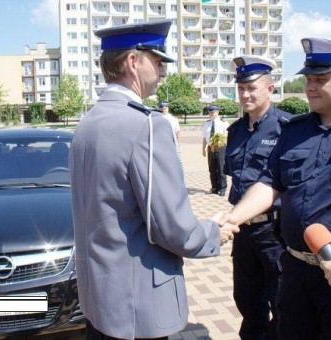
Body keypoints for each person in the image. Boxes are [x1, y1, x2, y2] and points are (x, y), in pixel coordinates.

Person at [69, 20, 236, 340]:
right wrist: (215, 231)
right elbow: (174, 230)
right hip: (138, 309)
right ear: (133, 62)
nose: (163, 71)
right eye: (158, 61)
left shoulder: (86, 125)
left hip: (99, 304)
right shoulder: (147, 126)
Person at [219, 36, 331, 339]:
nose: (309, 87)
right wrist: (233, 218)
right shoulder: (294, 131)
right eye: (308, 79)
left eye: (320, 79)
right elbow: (270, 184)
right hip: (295, 269)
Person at [224, 55, 292, 340]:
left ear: (270, 89)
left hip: (274, 232)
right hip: (243, 232)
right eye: (241, 88)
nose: (245, 94)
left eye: (252, 88)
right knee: (247, 300)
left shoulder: (288, 129)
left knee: (282, 302)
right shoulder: (235, 132)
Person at [202, 105, 229, 196]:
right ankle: (214, 187)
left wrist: (221, 144)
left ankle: (222, 188)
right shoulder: (207, 124)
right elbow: (205, 138)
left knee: (221, 168)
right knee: (212, 169)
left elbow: (227, 136)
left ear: (218, 112)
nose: (212, 114)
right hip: (210, 148)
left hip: (220, 148)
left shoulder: (223, 123)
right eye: (210, 112)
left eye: (213, 112)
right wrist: (203, 149)